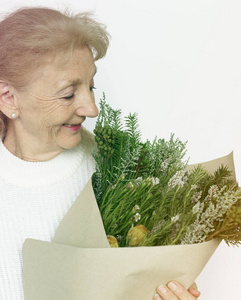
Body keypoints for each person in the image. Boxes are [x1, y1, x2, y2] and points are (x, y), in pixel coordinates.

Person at [0, 7, 201, 300]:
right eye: (68, 94)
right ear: (8, 98)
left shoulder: (124, 169)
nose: (91, 109)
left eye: (91, 86)